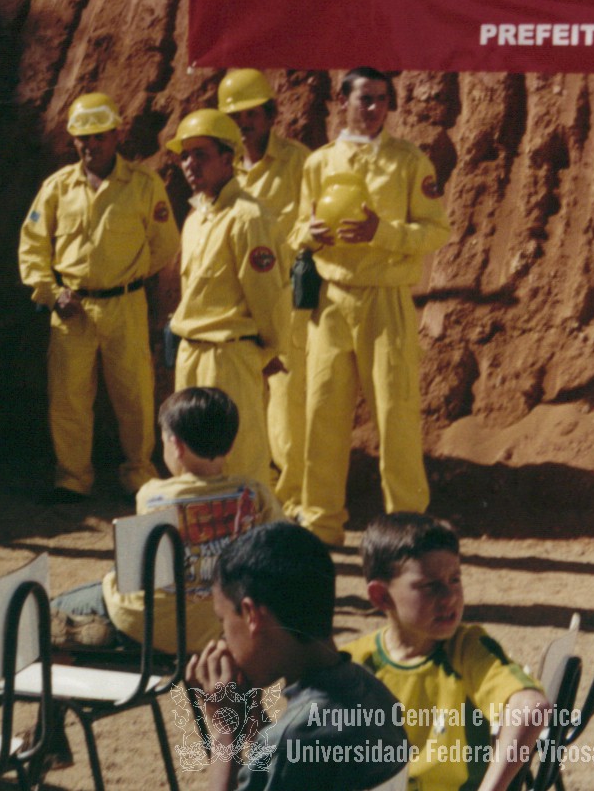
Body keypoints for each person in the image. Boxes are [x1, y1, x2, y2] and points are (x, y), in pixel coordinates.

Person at [291, 68, 449, 545]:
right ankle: (320, 524)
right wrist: (308, 235)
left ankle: (408, 526)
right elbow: (296, 228)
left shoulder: (409, 162)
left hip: (386, 300)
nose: (376, 108)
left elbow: (435, 231)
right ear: (342, 101)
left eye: (382, 99)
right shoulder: (319, 164)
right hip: (332, 301)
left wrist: (383, 232)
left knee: (396, 414)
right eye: (366, 99)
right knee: (322, 413)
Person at [19, 91, 180, 501]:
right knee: (68, 398)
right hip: (70, 309)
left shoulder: (144, 184)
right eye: (83, 138)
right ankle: (72, 479)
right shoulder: (57, 187)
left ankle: (139, 473)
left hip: (125, 305)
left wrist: (128, 277)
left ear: (116, 135)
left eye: (99, 136)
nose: (91, 145)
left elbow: (165, 243)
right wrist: (51, 293)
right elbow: (32, 245)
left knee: (135, 395)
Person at [49, 387, 282, 654]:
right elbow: (282, 547)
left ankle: (107, 633)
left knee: (53, 607)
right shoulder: (254, 493)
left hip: (145, 624)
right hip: (222, 627)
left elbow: (138, 572)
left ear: (177, 446)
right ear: (230, 447)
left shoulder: (153, 495)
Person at [187, 522, 410, 790]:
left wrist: (226, 730)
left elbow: (286, 754)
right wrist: (251, 715)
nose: (223, 639)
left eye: (223, 622)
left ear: (251, 615)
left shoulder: (290, 742)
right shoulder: (372, 690)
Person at [346, 514, 550, 791]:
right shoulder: (355, 662)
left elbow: (531, 707)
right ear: (381, 596)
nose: (450, 597)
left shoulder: (467, 650)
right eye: (430, 586)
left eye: (455, 579)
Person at [166, 109, 289, 485]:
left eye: (200, 154)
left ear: (227, 158)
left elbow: (267, 297)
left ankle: (253, 525)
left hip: (230, 358)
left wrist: (267, 352)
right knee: (190, 461)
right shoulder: (195, 219)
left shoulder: (247, 218)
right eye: (185, 155)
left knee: (241, 459)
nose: (190, 164)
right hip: (192, 354)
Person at [219, 69, 313, 512]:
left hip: (284, 296)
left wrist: (280, 252)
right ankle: (254, 487)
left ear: (271, 115)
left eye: (251, 115)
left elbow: (312, 221)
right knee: (244, 396)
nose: (243, 125)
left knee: (287, 399)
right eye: (234, 117)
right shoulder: (222, 167)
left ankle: (292, 496)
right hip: (235, 301)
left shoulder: (298, 163)